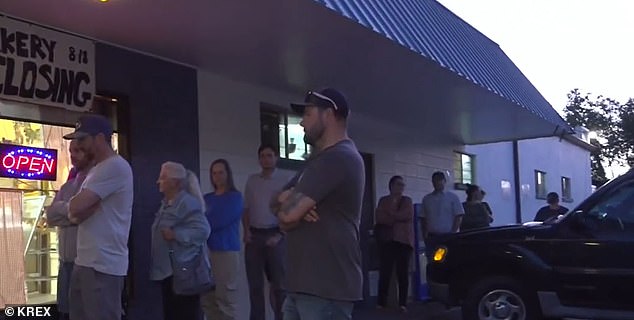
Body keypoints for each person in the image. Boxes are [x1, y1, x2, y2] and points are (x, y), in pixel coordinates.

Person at [272, 88, 365, 320]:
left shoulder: (338, 158)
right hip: (302, 287)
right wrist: (292, 202)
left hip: (326, 289)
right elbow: (275, 201)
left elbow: (286, 217)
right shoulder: (317, 161)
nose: (302, 123)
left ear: (329, 115)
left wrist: (292, 207)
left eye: (308, 114)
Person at [64, 114, 134, 320]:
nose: (79, 145)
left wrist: (74, 209)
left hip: (103, 265)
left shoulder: (115, 166)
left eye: (83, 139)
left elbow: (76, 207)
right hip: (86, 262)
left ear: (101, 138)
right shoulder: (97, 170)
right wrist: (74, 210)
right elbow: (74, 213)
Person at [150, 161, 210, 320]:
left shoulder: (187, 203)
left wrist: (176, 234)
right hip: (167, 272)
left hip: (182, 272)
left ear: (175, 182)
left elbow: (203, 230)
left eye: (163, 178)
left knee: (184, 313)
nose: (158, 181)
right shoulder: (165, 204)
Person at [46, 140, 93, 320]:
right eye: (71, 150)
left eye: (79, 150)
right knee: (66, 312)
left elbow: (88, 215)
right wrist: (73, 213)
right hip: (65, 263)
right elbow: (51, 216)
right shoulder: (67, 187)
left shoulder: (95, 183)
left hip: (85, 263)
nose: (73, 155)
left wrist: (66, 212)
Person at [243, 145, 289, 320]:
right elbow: (246, 208)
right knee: (255, 286)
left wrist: (280, 234)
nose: (266, 159)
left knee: (279, 286)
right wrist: (246, 231)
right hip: (254, 236)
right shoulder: (252, 180)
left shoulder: (284, 180)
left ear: (276, 158)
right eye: (262, 156)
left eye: (269, 156)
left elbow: (290, 210)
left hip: (275, 235)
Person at [201, 159, 243, 320]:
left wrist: (202, 223)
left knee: (225, 298)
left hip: (225, 252)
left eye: (221, 172)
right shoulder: (207, 198)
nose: (217, 176)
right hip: (206, 253)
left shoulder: (235, 197)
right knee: (207, 299)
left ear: (228, 174)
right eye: (214, 173)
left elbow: (217, 221)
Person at [374, 176, 414, 312]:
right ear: (391, 186)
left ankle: (403, 303)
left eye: (403, 185)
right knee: (385, 271)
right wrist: (396, 216)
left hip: (403, 241)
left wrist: (391, 215)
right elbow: (380, 218)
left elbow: (407, 215)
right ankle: (381, 302)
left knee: (402, 273)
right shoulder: (383, 200)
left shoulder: (407, 201)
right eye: (398, 184)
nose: (401, 187)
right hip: (387, 240)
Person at [421, 171, 464, 259]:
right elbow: (423, 219)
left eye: (439, 180)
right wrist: (424, 236)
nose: (437, 183)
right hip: (432, 236)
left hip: (448, 235)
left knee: (448, 261)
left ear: (444, 181)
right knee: (431, 261)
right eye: (435, 181)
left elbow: (458, 216)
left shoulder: (452, 197)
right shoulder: (427, 199)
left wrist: (453, 233)